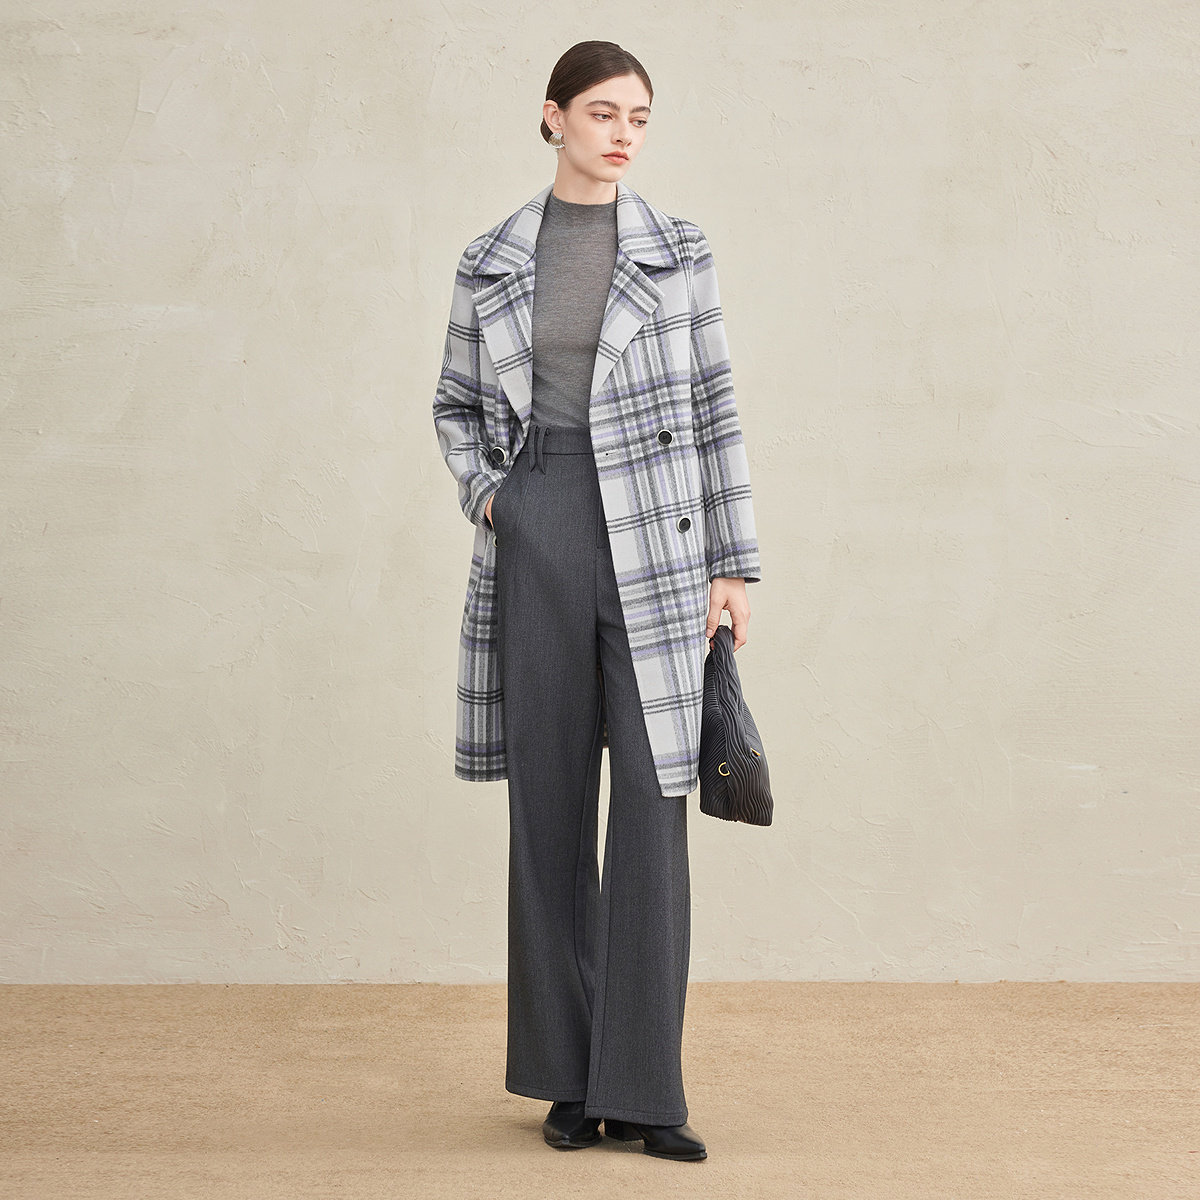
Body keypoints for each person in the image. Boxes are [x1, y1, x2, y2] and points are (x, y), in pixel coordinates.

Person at [432, 40, 762, 1163]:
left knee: (654, 809)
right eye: (604, 113)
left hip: (659, 534)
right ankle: (568, 1082)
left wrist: (733, 564)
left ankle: (647, 1090)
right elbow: (455, 405)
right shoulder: (491, 258)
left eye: (640, 118)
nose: (624, 134)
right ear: (553, 117)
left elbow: (716, 404)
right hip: (543, 523)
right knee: (551, 807)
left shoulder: (679, 250)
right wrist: (495, 500)